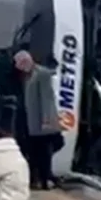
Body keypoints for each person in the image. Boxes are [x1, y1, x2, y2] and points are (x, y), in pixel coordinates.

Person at [13, 51, 64, 191]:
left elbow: (47, 99)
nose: (18, 68)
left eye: (19, 64)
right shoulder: (26, 75)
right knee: (34, 151)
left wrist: (47, 120)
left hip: (40, 121)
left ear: (25, 62)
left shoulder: (42, 74)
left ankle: (44, 179)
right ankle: (37, 179)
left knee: (43, 152)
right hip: (29, 121)